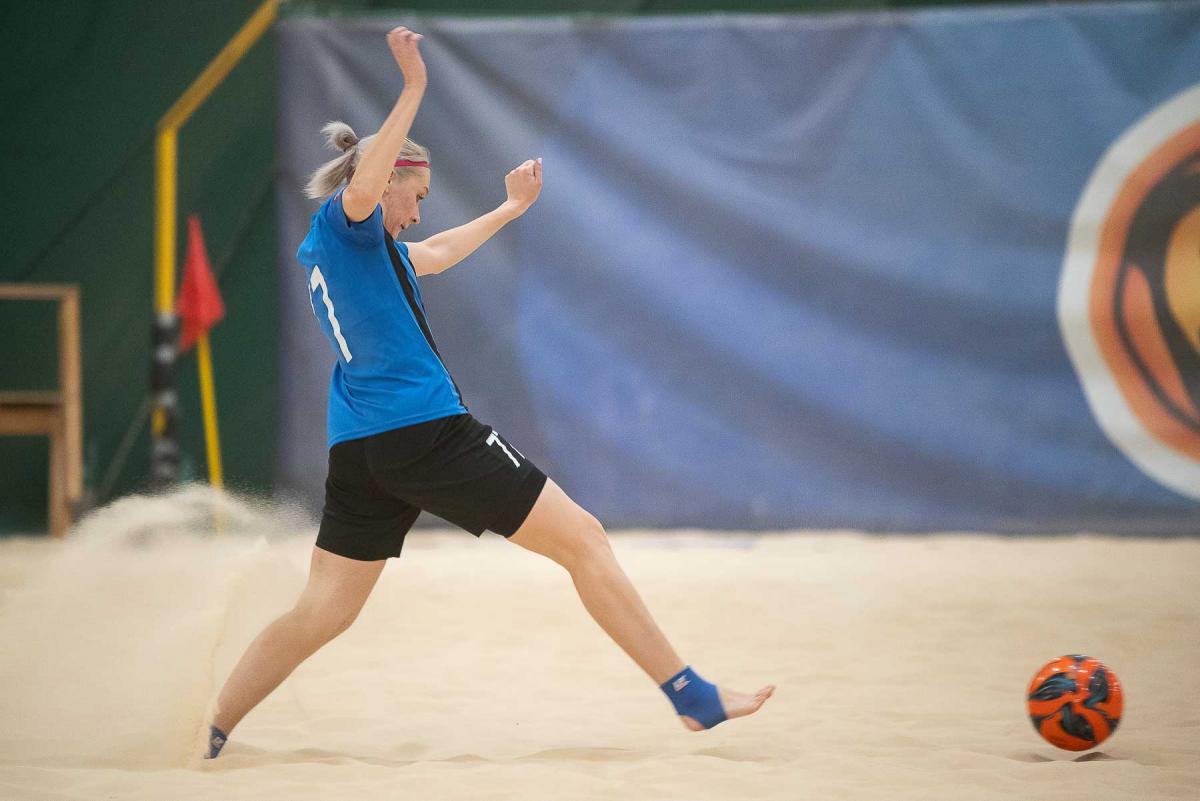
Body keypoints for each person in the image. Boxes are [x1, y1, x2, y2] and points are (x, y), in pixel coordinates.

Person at [205, 26, 772, 759]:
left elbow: (435, 253)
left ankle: (211, 728)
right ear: (389, 178)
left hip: (359, 447)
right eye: (417, 195)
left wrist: (508, 210)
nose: (417, 211)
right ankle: (691, 695)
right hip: (424, 432)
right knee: (585, 540)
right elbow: (368, 189)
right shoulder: (347, 223)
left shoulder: (353, 255)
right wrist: (414, 85)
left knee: (322, 612)